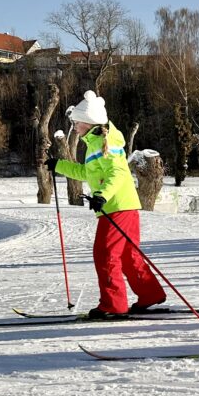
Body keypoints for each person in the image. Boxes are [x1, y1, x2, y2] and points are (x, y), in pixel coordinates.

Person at [47, 90, 165, 319]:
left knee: (105, 254)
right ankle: (149, 294)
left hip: (116, 206)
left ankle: (113, 305)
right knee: (128, 255)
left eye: (77, 123)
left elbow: (118, 172)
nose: (74, 127)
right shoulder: (94, 143)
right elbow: (87, 173)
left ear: (88, 122)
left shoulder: (105, 141)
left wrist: (101, 195)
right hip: (123, 205)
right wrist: (59, 166)